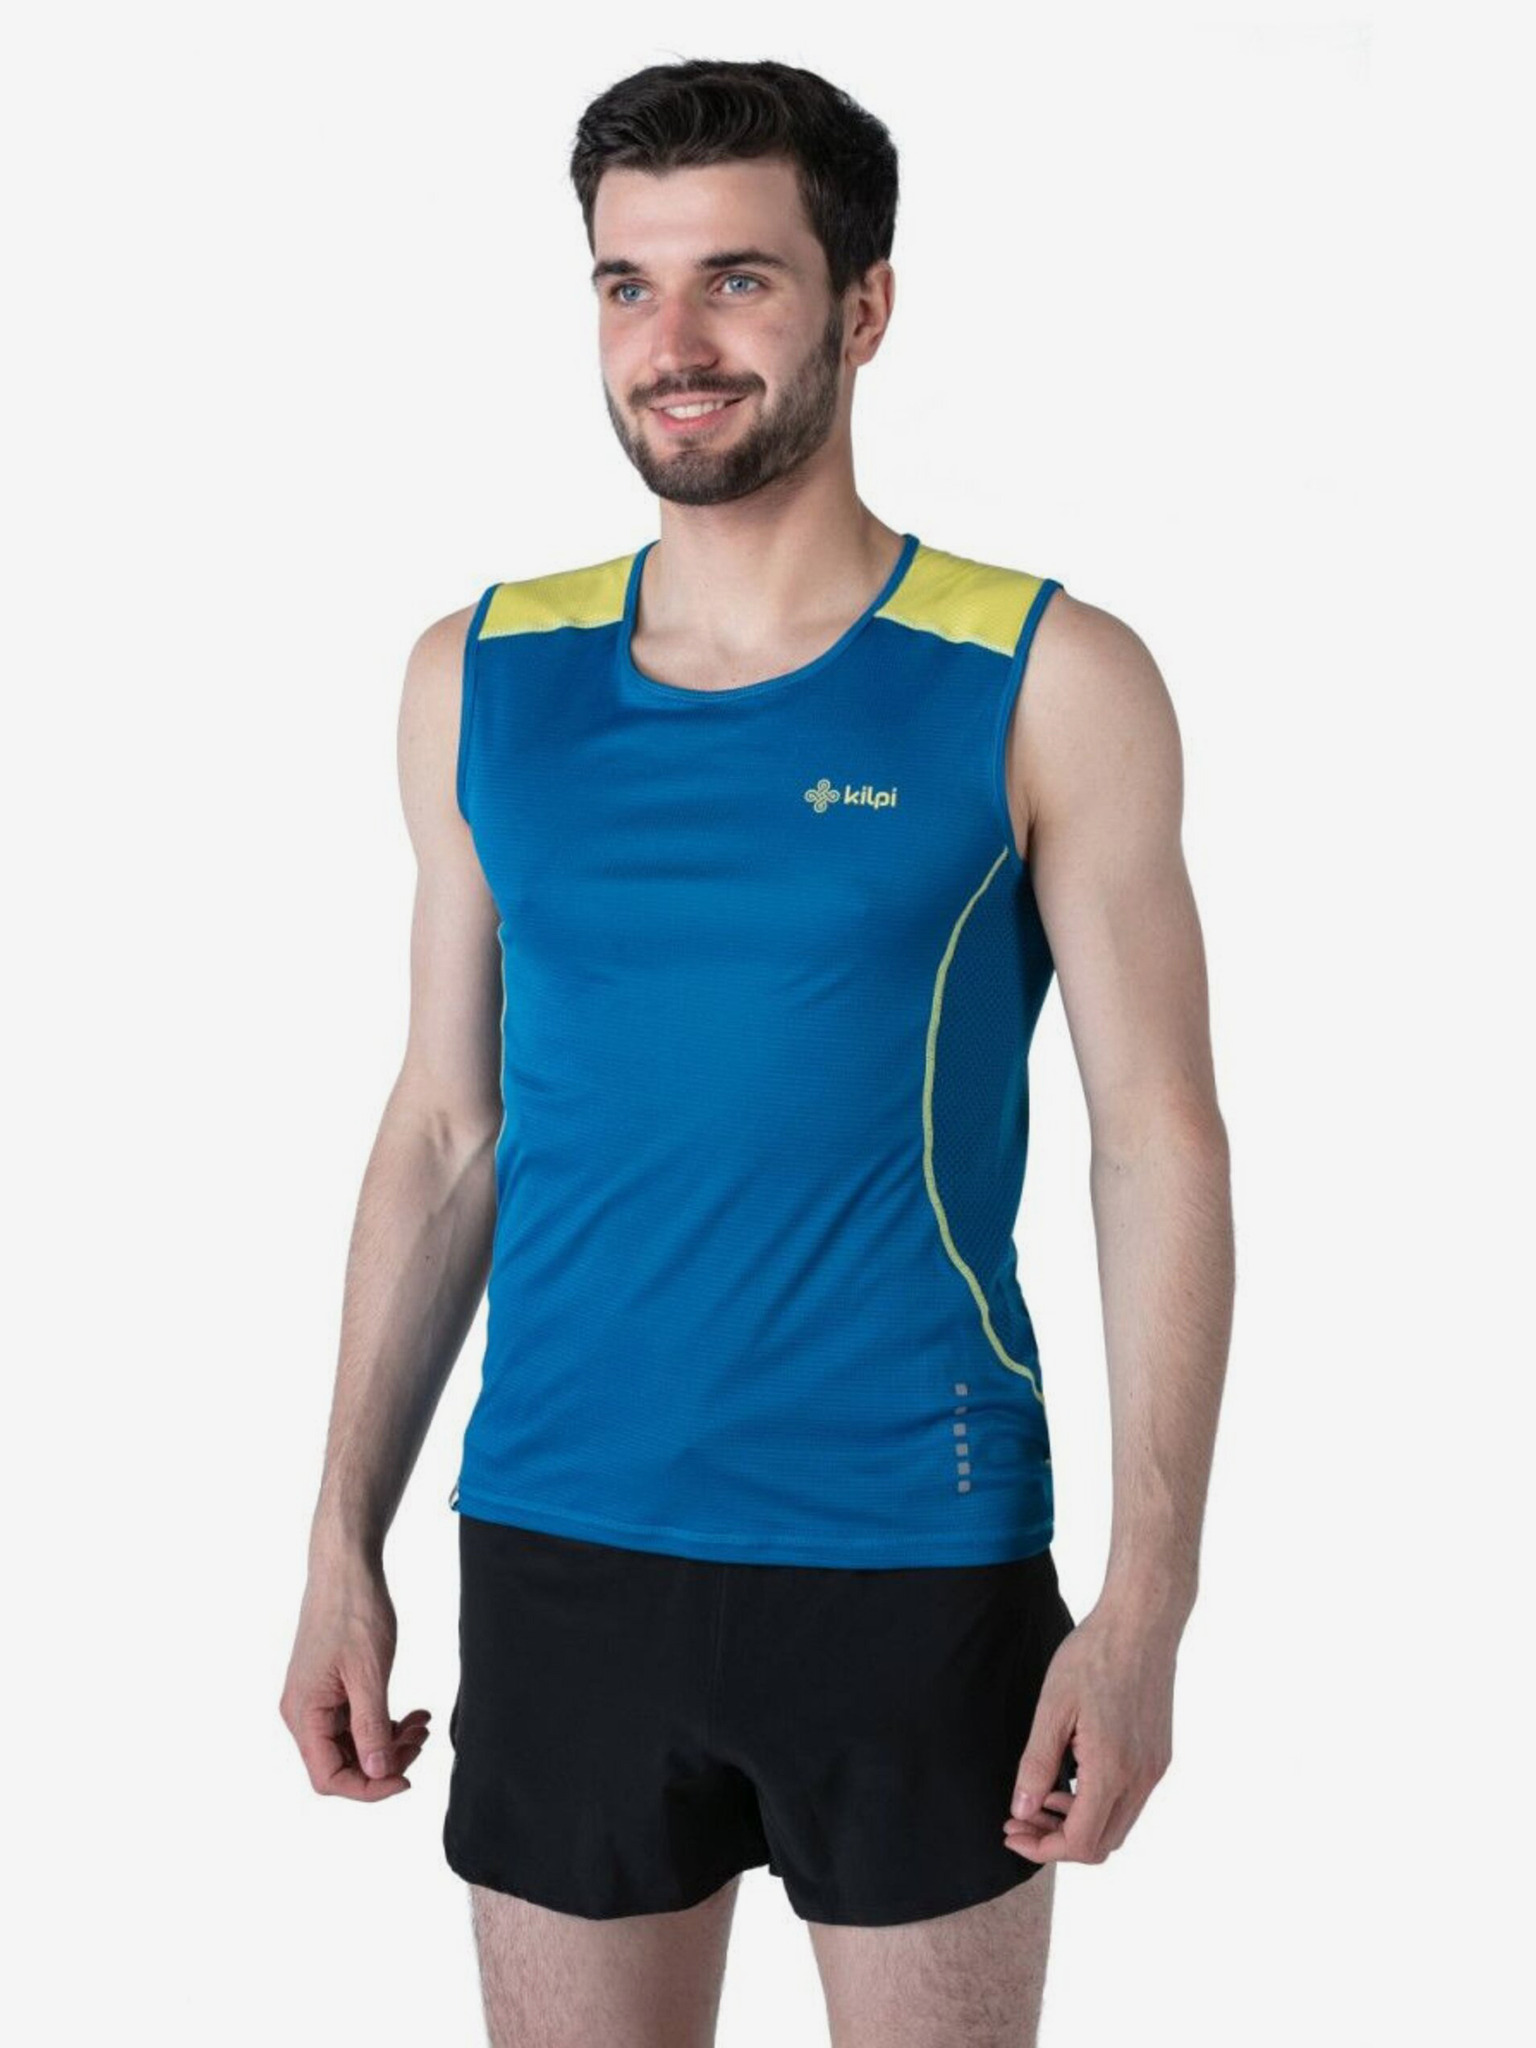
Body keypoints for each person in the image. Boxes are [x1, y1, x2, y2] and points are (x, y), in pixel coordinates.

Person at [280, 56, 1234, 2048]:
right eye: (627, 285)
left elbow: (1155, 1141)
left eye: (738, 280)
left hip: (911, 1554)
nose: (676, 342)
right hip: (557, 1547)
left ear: (863, 306)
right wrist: (337, 1544)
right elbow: (446, 1127)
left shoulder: (1044, 674)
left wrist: (1147, 1602)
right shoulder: (482, 673)